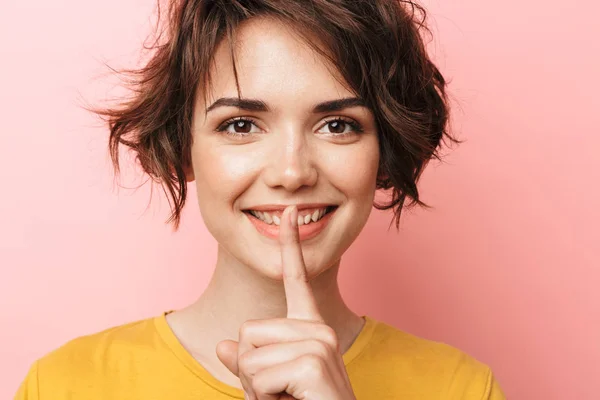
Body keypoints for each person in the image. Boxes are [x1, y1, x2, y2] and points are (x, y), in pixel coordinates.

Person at [15, 0, 505, 399]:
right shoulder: (63, 386)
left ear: (383, 154)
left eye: (337, 126)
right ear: (182, 149)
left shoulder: (460, 388)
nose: (292, 172)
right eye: (241, 125)